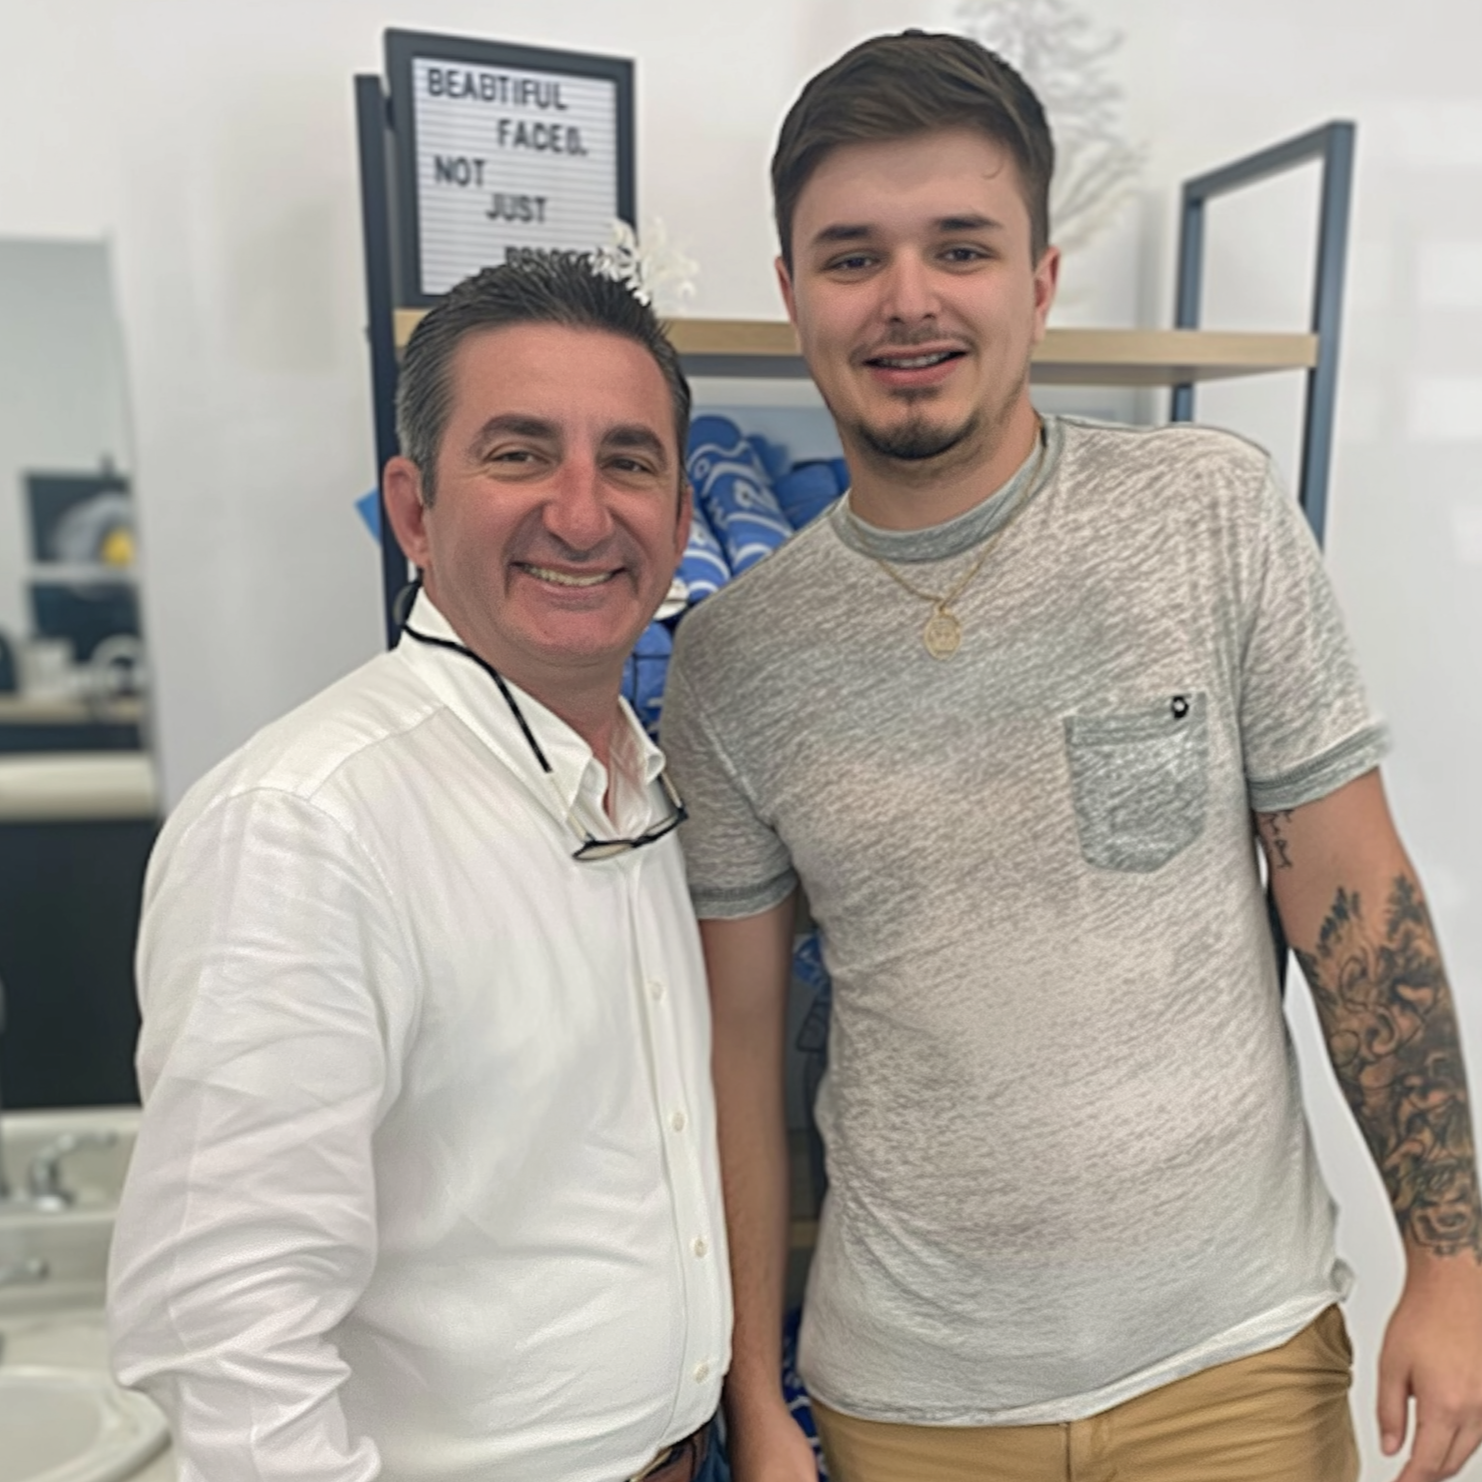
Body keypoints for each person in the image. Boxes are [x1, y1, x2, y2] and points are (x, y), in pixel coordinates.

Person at [661, 30, 1482, 1482]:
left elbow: (1352, 897)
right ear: (792, 297)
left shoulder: (1206, 515)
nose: (907, 299)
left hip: (1233, 1366)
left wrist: (1451, 1263)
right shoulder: (735, 657)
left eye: (959, 247)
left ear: (1037, 281)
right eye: (851, 257)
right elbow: (731, 1055)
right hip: (907, 1404)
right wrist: (752, 1391)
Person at [108, 257, 731, 1482]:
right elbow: (225, 1334)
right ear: (412, 510)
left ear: (682, 514)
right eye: (517, 453)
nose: (583, 511)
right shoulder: (307, 824)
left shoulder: (638, 789)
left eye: (630, 460)